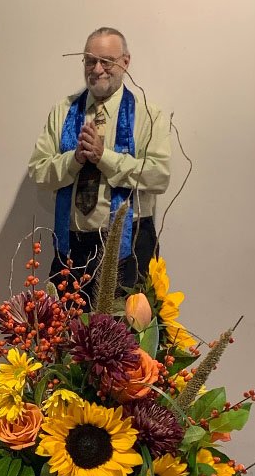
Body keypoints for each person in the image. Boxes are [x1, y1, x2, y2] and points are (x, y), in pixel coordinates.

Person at [28, 27, 171, 307]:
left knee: (127, 344)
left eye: (106, 61)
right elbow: (38, 171)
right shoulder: (63, 111)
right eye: (90, 60)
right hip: (72, 247)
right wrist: (75, 159)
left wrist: (104, 157)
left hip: (130, 248)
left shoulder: (148, 113)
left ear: (125, 62)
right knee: (64, 342)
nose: (97, 69)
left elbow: (159, 176)